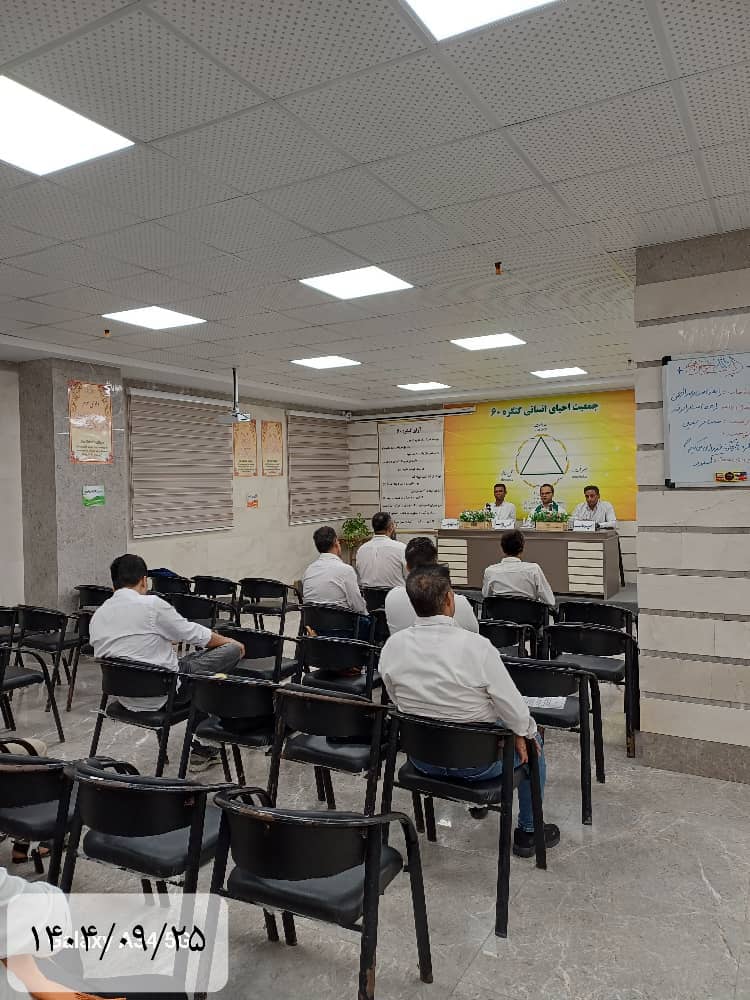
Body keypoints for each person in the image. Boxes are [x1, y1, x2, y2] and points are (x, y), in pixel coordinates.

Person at [380, 565, 559, 856]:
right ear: (450, 599)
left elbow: (397, 702)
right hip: (479, 765)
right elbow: (514, 710)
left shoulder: (392, 647)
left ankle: (482, 806)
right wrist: (523, 732)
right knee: (532, 743)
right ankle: (528, 832)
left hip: (422, 758)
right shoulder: (477, 647)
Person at [89, 554, 245, 772]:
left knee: (189, 664)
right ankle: (205, 747)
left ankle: (205, 746)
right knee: (228, 654)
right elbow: (196, 635)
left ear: (113, 584)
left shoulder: (98, 615)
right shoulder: (152, 605)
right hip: (165, 693)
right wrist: (230, 641)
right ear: (144, 580)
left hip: (123, 695)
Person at [385, 538, 478, 634]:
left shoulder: (392, 597)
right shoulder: (459, 602)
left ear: (407, 567)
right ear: (436, 564)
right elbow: (474, 633)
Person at [302, 526, 368, 615]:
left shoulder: (308, 571)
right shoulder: (346, 570)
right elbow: (358, 607)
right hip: (342, 622)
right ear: (336, 542)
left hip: (313, 622)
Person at [482, 530, 555, 608]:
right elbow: (550, 601)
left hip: (499, 615)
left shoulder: (490, 571)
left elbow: (486, 596)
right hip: (528, 614)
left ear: (502, 548)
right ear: (522, 548)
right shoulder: (534, 570)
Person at [355, 512, 407, 590]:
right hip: (395, 595)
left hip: (368, 596)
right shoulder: (401, 548)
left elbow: (359, 577)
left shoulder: (361, 550)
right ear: (391, 527)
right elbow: (409, 576)